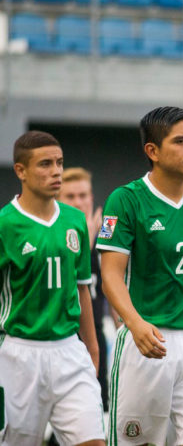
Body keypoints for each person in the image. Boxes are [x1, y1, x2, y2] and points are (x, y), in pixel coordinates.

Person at [97, 106, 183, 445]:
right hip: (148, 341)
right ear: (153, 151)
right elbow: (110, 276)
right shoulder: (126, 200)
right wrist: (134, 322)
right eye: (181, 142)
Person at [0, 131, 105, 446]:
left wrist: (93, 349)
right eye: (45, 164)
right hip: (18, 354)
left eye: (59, 163)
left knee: (93, 441)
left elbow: (82, 289)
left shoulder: (75, 221)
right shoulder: (5, 225)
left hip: (70, 352)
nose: (56, 171)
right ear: (21, 171)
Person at [58, 167, 110, 410]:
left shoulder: (107, 232)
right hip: (61, 338)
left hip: (94, 338)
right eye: (70, 196)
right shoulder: (52, 233)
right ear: (58, 199)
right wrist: (85, 243)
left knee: (96, 414)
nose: (78, 202)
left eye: (83, 195)